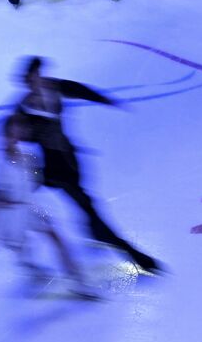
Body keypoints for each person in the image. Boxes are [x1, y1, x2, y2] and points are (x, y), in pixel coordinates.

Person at [11, 57, 163, 275]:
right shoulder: (23, 109)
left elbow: (78, 89)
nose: (36, 81)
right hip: (52, 170)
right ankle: (135, 256)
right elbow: (11, 135)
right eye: (31, 79)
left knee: (85, 203)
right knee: (84, 208)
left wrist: (104, 99)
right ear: (26, 81)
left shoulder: (52, 87)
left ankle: (92, 230)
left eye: (37, 75)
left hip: (69, 161)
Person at [0, 115, 97, 300]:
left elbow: (35, 181)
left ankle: (78, 282)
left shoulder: (27, 156)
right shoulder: (2, 167)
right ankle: (30, 267)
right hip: (12, 217)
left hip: (30, 209)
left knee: (55, 237)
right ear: (5, 135)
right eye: (12, 133)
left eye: (19, 132)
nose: (17, 136)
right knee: (21, 249)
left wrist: (36, 171)